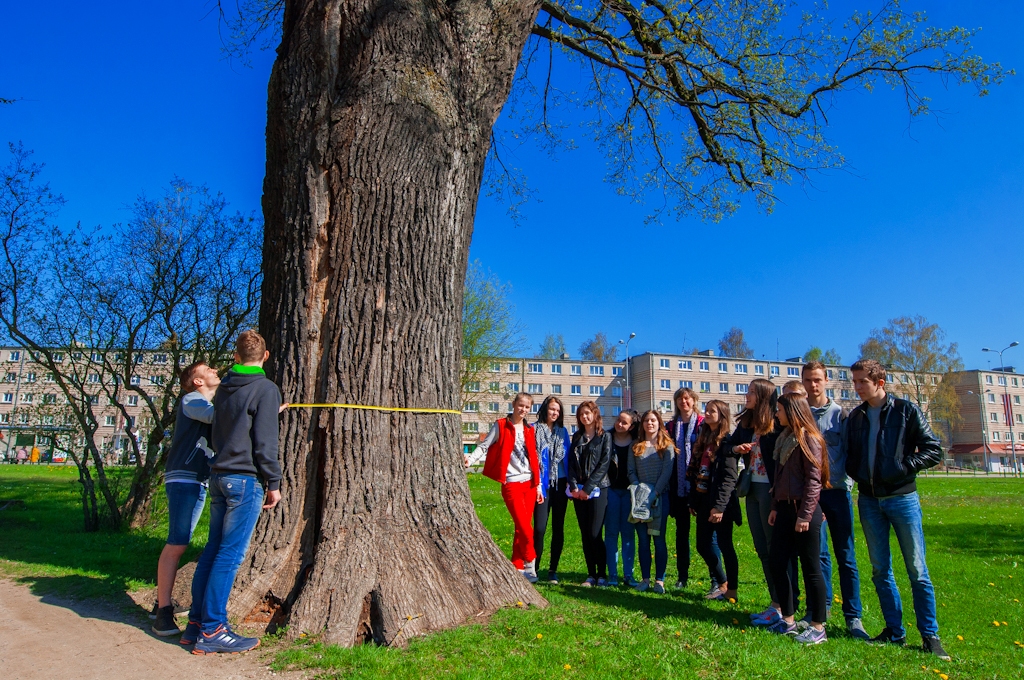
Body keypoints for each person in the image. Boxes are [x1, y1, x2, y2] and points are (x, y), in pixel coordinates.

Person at [186, 330, 283, 655]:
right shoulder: (266, 389)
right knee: (228, 556)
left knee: (213, 551)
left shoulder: (223, 389)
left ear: (235, 357)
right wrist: (274, 482)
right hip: (244, 480)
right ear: (265, 357)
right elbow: (265, 443)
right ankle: (213, 630)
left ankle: (195, 626)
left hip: (219, 476)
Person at [844, 359, 949, 661]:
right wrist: (860, 474)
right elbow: (851, 455)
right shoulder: (856, 417)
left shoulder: (906, 411)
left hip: (902, 499)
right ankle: (894, 630)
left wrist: (902, 468)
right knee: (880, 569)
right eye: (855, 381)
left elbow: (933, 449)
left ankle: (930, 635)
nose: (857, 386)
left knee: (917, 569)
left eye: (862, 381)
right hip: (869, 500)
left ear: (880, 382)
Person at [151, 360, 219, 638]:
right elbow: (217, 417)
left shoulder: (207, 402)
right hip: (184, 479)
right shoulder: (192, 400)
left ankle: (161, 604)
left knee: (182, 540)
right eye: (208, 370)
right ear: (197, 381)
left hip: (198, 480)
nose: (215, 371)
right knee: (177, 543)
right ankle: (163, 612)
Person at [802, 361, 868, 639]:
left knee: (846, 555)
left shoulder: (841, 415)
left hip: (837, 491)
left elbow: (852, 453)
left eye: (817, 379)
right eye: (807, 380)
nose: (812, 385)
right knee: (816, 553)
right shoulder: (801, 414)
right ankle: (821, 607)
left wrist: (847, 485)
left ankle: (853, 617)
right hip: (811, 494)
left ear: (826, 380)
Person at [765, 392, 829, 644]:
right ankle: (788, 620)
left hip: (804, 513)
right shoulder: (784, 438)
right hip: (783, 509)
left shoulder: (809, 439)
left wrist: (805, 514)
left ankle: (818, 626)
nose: (776, 414)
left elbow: (814, 481)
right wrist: (775, 506)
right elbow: (779, 478)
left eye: (779, 410)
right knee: (778, 562)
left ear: (792, 411)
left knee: (811, 568)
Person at [466, 392, 543, 582]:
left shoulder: (529, 430)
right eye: (521, 405)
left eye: (527, 407)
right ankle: (530, 562)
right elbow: (485, 446)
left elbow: (534, 458)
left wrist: (539, 485)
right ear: (513, 404)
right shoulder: (501, 425)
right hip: (511, 483)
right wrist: (470, 458)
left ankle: (517, 566)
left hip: (530, 483)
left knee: (521, 526)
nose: (523, 410)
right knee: (525, 527)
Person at [731, 378, 785, 613]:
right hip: (751, 489)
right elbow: (727, 447)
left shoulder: (778, 423)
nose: (747, 395)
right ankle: (776, 601)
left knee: (776, 547)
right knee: (761, 547)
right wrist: (736, 449)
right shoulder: (745, 422)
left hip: (771, 490)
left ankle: (786, 602)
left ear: (763, 396)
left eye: (752, 392)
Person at [666, 387, 719, 593]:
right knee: (682, 534)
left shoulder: (702, 424)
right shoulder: (671, 426)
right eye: (680, 399)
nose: (683, 403)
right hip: (678, 488)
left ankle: (716, 578)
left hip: (700, 488)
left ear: (694, 401)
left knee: (707, 537)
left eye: (687, 399)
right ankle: (682, 576)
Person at [687, 400, 740, 603]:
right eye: (706, 410)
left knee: (726, 546)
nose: (707, 413)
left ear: (722, 415)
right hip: (702, 499)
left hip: (721, 503)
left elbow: (729, 477)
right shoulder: (703, 438)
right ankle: (722, 581)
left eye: (712, 411)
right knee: (702, 545)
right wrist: (693, 500)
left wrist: (719, 507)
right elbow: (696, 471)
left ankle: (732, 590)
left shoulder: (727, 442)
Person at [628, 410, 675, 594]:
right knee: (643, 540)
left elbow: (667, 473)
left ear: (659, 423)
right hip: (639, 500)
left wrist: (654, 492)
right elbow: (630, 471)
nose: (650, 423)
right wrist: (639, 490)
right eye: (646, 420)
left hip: (660, 498)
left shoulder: (666, 446)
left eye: (653, 420)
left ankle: (660, 580)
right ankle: (645, 578)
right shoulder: (636, 446)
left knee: (659, 539)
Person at [567, 400, 612, 587]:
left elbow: (604, 464)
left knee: (595, 533)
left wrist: (588, 488)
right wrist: (574, 486)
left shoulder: (604, 437)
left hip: (598, 490)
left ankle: (602, 573)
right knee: (585, 533)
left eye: (587, 413)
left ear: (595, 414)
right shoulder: (577, 437)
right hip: (579, 492)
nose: (584, 417)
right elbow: (570, 463)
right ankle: (591, 574)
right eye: (581, 414)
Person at [532, 396, 571, 584]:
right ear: (545, 409)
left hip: (560, 484)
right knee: (539, 528)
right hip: (541, 485)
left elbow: (568, 459)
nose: (554, 413)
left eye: (557, 410)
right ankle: (535, 567)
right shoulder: (533, 429)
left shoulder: (563, 432)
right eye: (552, 409)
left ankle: (553, 570)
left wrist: (571, 483)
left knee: (558, 528)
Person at [604, 409, 640, 586]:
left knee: (627, 534)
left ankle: (628, 574)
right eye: (618, 420)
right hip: (610, 490)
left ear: (631, 426)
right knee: (610, 533)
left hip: (629, 492)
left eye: (624, 422)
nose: (619, 424)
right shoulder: (607, 438)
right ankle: (612, 574)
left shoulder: (636, 443)